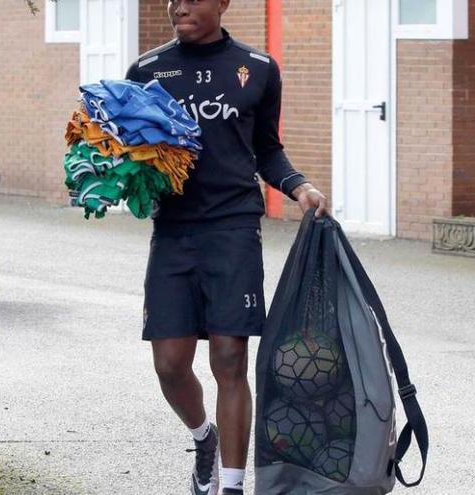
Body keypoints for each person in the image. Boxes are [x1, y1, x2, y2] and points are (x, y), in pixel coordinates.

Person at [125, 1, 328, 493]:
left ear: (223, 3)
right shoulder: (147, 70)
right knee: (170, 364)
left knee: (229, 359)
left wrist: (299, 186)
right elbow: (127, 145)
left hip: (234, 229)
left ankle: (232, 486)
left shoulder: (257, 70)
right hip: (173, 230)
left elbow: (267, 148)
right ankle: (204, 439)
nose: (179, 7)